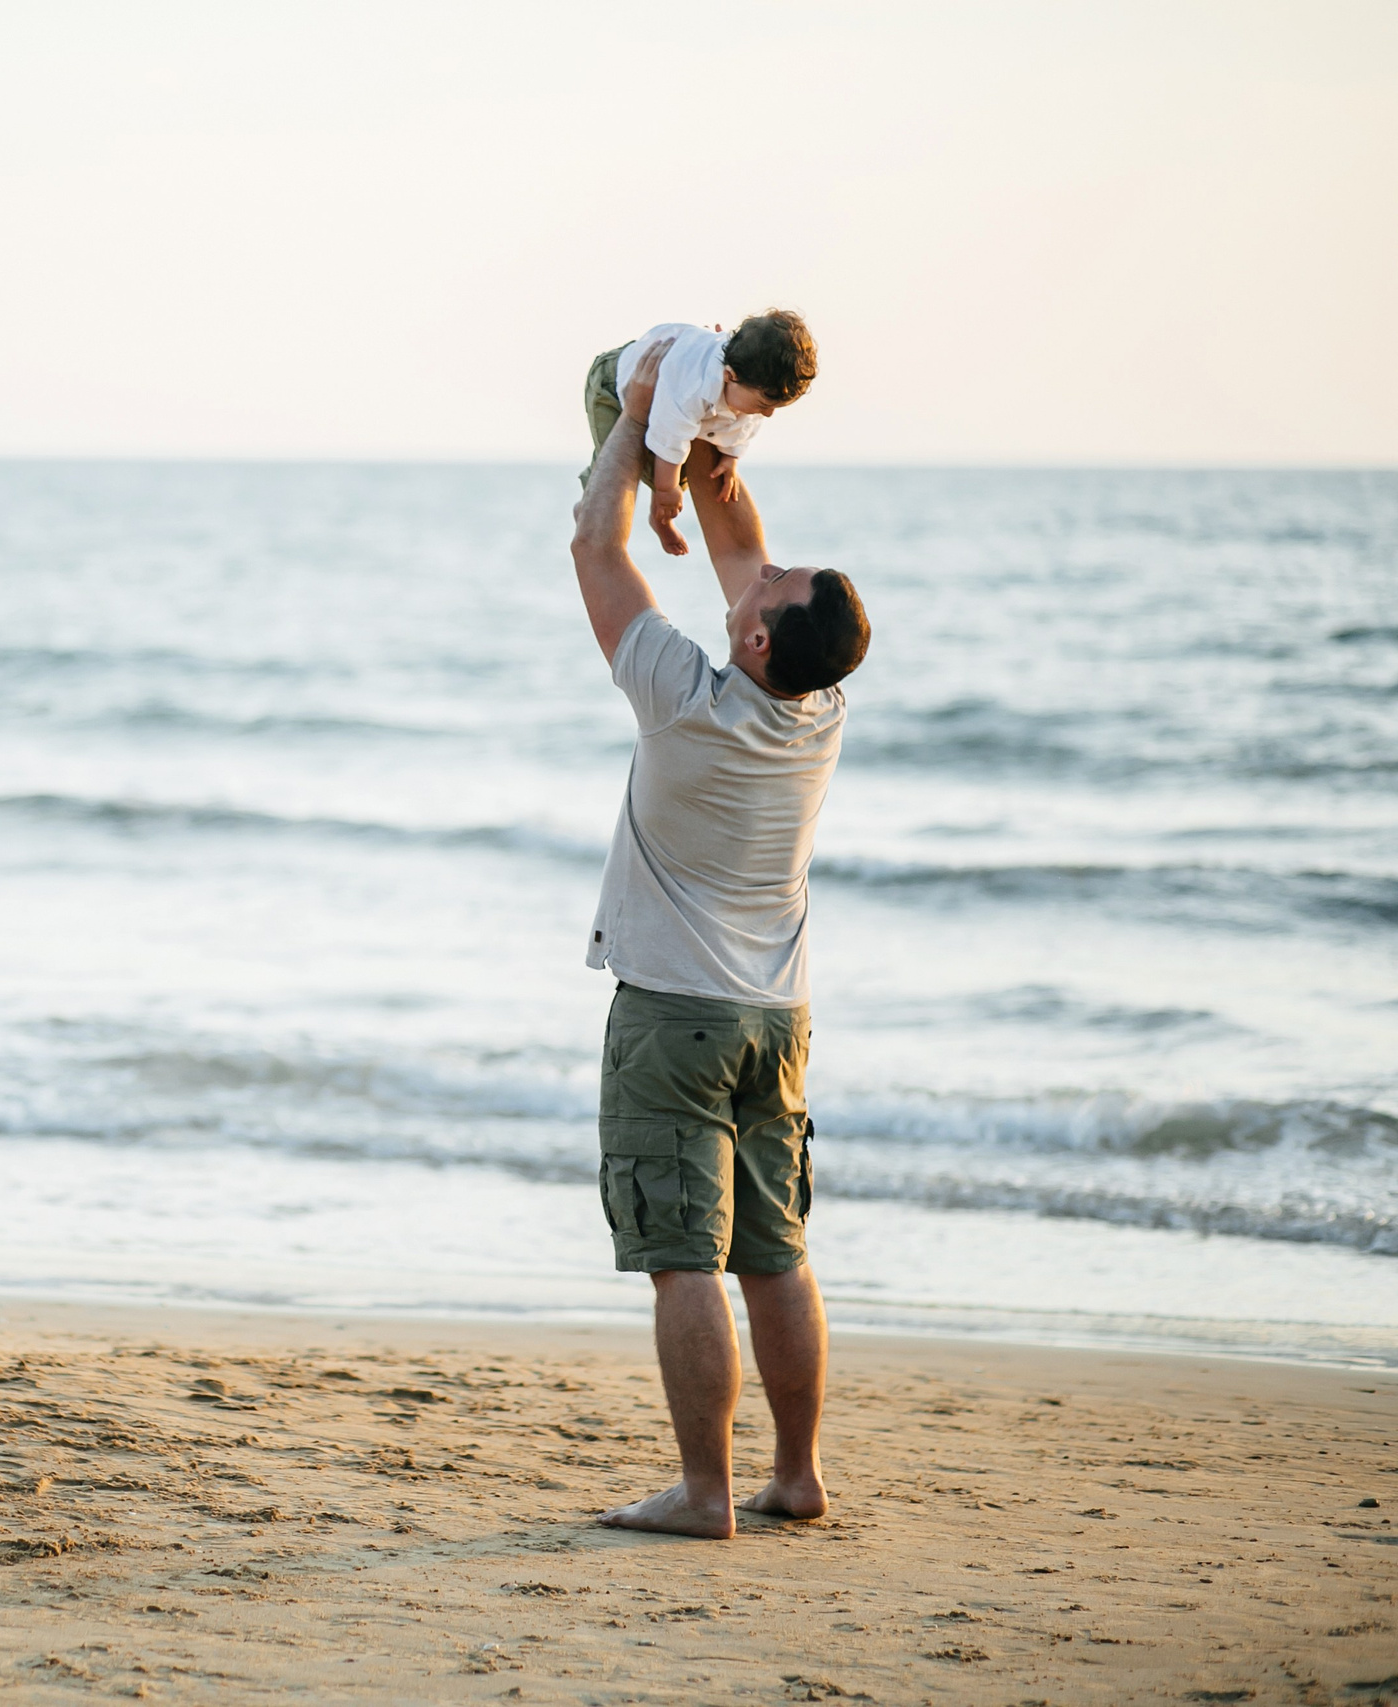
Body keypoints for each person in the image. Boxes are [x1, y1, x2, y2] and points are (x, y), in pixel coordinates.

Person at [567, 337, 869, 1540]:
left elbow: (596, 548)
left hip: (675, 1020)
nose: (765, 570)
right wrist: (707, 428)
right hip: (774, 1020)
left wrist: (633, 417)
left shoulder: (685, 705)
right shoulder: (818, 702)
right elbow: (732, 523)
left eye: (774, 585)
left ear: (754, 640)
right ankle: (794, 1475)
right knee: (774, 1253)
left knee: (682, 1258)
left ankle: (703, 1494)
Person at [580, 310, 816, 560]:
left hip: (671, 397)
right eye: (764, 405)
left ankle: (659, 517)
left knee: (676, 465)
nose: (768, 414)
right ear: (730, 376)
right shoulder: (691, 387)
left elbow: (746, 424)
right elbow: (669, 443)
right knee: (617, 464)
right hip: (616, 385)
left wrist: (731, 456)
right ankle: (589, 507)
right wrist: (667, 492)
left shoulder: (753, 378)